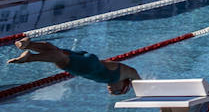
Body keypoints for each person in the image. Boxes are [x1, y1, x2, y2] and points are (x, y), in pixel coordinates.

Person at [7, 37, 140, 95]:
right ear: (124, 84)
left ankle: (28, 44)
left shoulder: (113, 76)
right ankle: (30, 57)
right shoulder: (123, 74)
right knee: (61, 60)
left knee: (58, 52)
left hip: (88, 61)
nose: (111, 91)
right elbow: (138, 80)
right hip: (89, 66)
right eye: (118, 91)